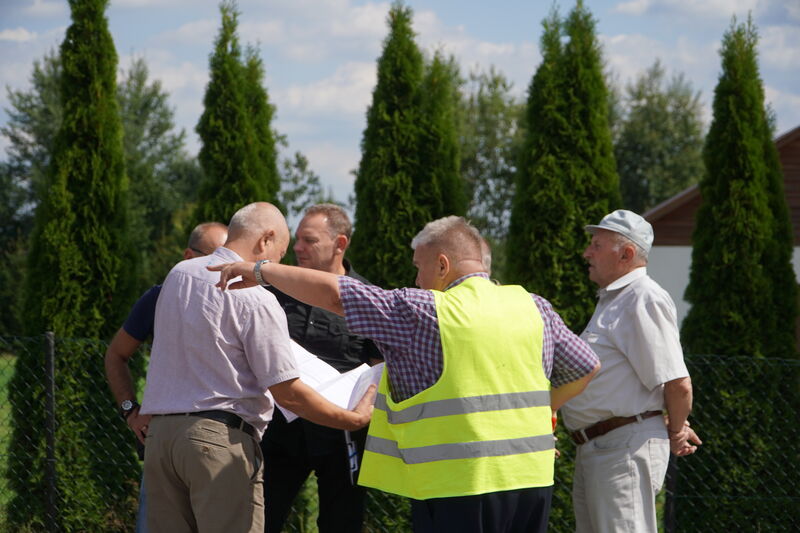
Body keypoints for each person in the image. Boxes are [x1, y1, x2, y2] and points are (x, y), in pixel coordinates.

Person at [210, 215, 601, 533]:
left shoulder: (426, 311)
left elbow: (335, 295)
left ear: (443, 265)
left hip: (460, 484)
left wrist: (262, 270)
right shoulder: (533, 307)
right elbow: (586, 366)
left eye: (419, 268)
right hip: (531, 479)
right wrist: (545, 411)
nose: (416, 280)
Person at [138, 202, 375, 533]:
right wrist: (352, 419)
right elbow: (288, 394)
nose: (279, 262)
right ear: (266, 239)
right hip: (219, 441)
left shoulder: (178, 274)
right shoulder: (258, 296)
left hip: (162, 440)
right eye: (280, 251)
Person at [559, 209, 702, 533]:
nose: (586, 252)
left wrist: (676, 429)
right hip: (605, 447)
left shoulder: (642, 297)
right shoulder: (617, 299)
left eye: (596, 244)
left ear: (626, 254)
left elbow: (678, 383)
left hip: (620, 449)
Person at [262, 204, 382, 533]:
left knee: (341, 522)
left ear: (340, 244)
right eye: (297, 239)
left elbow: (378, 370)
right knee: (261, 519)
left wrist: (364, 408)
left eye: (309, 240)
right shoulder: (276, 290)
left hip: (342, 434)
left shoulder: (368, 299)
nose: (297, 248)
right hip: (279, 431)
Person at [104, 221, 229, 533]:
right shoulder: (159, 298)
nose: (223, 269)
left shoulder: (240, 298)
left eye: (229, 260)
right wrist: (130, 412)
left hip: (221, 442)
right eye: (213, 259)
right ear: (188, 256)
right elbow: (116, 355)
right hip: (164, 442)